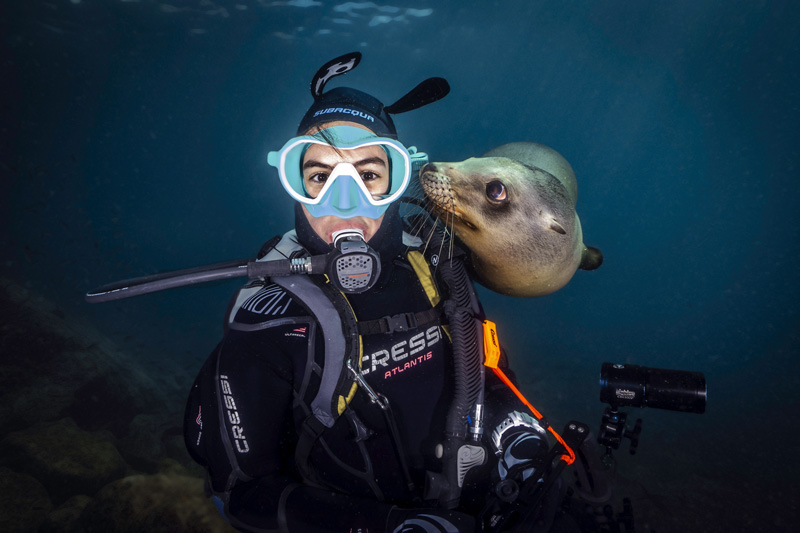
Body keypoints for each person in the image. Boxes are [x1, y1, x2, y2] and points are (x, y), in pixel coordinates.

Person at [183, 52, 557, 533]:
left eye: (370, 174)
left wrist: (518, 438)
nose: (345, 202)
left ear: (398, 181)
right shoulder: (267, 322)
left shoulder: (438, 262)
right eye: (320, 176)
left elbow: (487, 373)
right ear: (294, 183)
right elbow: (241, 494)